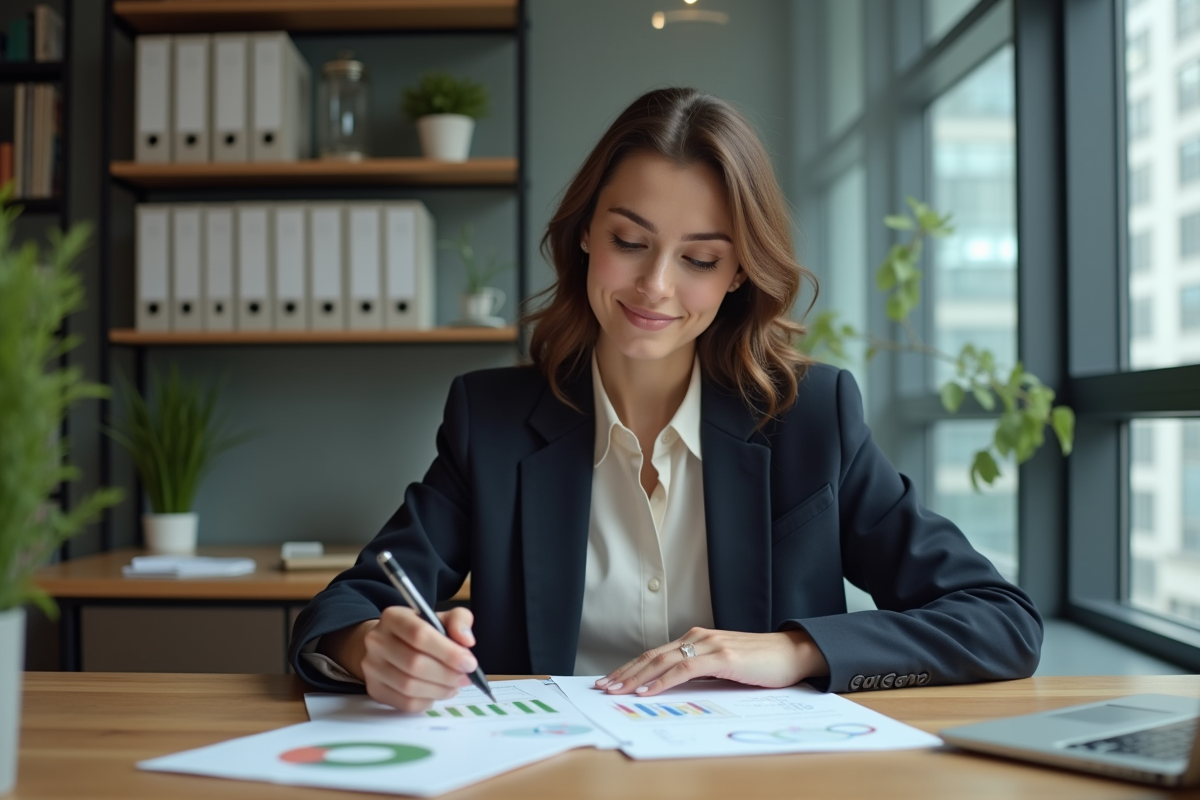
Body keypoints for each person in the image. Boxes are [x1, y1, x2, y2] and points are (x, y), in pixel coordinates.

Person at [289, 87, 1042, 712]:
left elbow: (1000, 622)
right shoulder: (490, 421)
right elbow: (343, 610)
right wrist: (372, 651)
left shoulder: (814, 417)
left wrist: (794, 650)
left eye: (700, 258)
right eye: (630, 241)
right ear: (585, 233)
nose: (655, 287)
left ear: (739, 272)